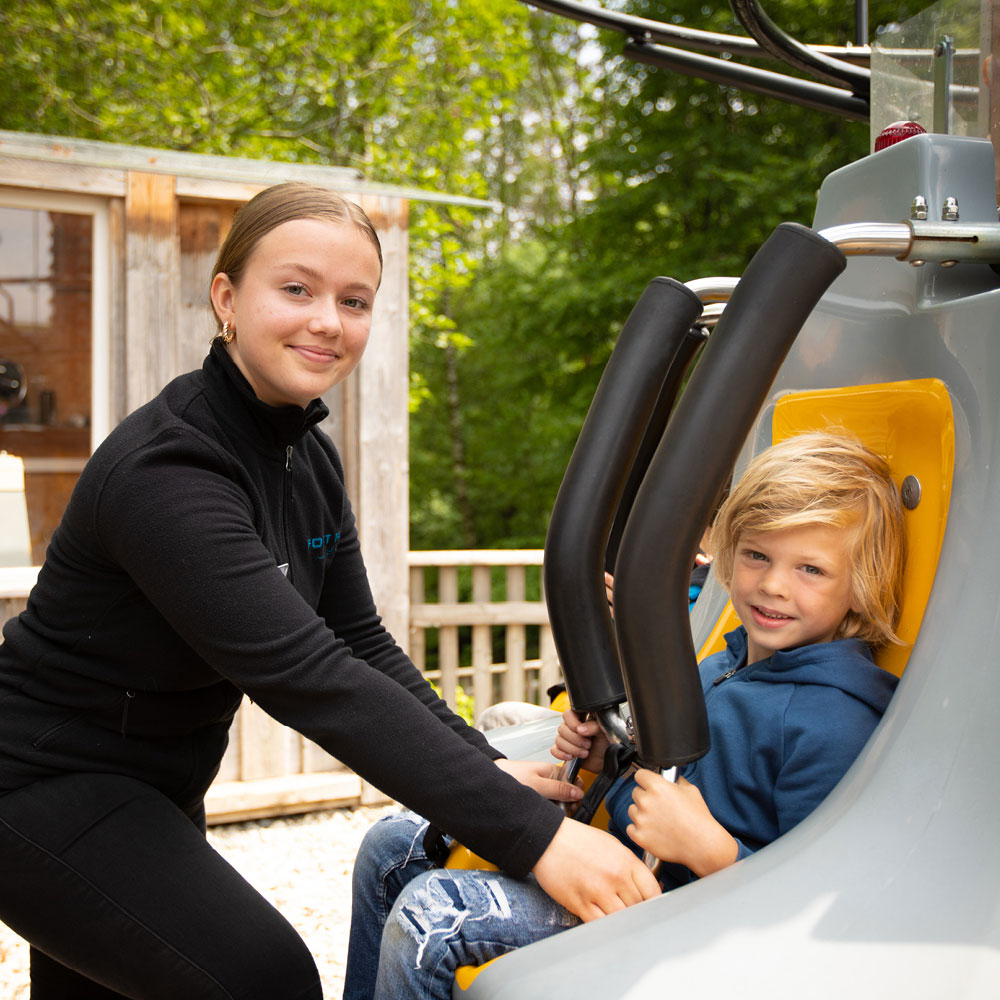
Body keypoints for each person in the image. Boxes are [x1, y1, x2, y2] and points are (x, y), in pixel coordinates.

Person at [0, 182, 658, 1000]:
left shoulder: (305, 457)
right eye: (297, 289)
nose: (327, 321)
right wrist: (536, 840)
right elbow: (312, 677)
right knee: (263, 976)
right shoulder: (166, 471)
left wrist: (482, 763)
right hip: (39, 785)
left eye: (355, 301)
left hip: (154, 787)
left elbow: (361, 643)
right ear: (227, 299)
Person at [345, 430, 905, 1000]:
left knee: (435, 918)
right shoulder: (720, 665)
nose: (773, 584)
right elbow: (650, 799)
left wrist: (712, 850)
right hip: (637, 873)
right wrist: (603, 759)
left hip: (685, 916)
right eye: (757, 555)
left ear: (861, 587)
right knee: (391, 844)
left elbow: (822, 900)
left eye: (810, 569)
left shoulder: (833, 720)